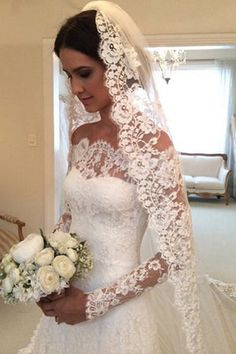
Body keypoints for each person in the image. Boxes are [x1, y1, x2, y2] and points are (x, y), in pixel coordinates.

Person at [18, 2, 235, 353]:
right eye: (68, 75)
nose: (75, 87)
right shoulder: (80, 137)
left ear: (115, 66)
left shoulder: (153, 145)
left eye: (84, 73)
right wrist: (45, 272)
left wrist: (92, 304)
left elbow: (173, 253)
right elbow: (72, 215)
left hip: (119, 312)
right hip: (68, 296)